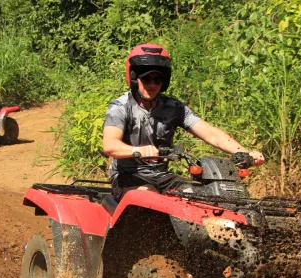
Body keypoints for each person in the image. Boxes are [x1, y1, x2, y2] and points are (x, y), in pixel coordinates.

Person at [102, 43, 265, 200]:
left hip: (162, 176)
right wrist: (137, 150)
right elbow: (110, 145)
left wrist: (244, 152)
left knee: (200, 197)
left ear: (163, 82)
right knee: (149, 198)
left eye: (157, 80)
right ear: (135, 79)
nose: (152, 85)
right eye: (146, 79)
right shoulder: (121, 106)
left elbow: (212, 134)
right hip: (127, 176)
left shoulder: (174, 107)